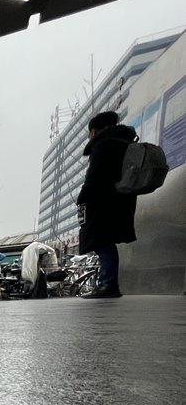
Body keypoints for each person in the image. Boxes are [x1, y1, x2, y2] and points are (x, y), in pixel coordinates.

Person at [76, 110, 137, 298]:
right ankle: (107, 283)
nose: (89, 136)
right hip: (121, 198)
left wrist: (82, 197)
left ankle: (108, 284)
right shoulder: (124, 142)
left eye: (89, 132)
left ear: (94, 130)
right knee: (105, 241)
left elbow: (94, 177)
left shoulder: (103, 145)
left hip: (101, 200)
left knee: (102, 241)